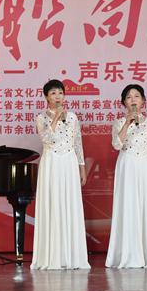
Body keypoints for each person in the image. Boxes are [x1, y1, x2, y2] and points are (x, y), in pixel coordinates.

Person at [31, 79, 90, 270]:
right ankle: (52, 256)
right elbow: (47, 138)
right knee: (54, 204)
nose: (58, 97)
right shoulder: (41, 118)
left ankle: (72, 256)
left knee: (70, 204)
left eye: (60, 93)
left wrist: (82, 168)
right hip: (52, 163)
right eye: (53, 93)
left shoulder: (72, 117)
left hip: (69, 163)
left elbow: (78, 143)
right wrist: (56, 118)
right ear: (46, 97)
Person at [105, 84, 147, 268]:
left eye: (137, 96)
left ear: (143, 101)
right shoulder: (119, 123)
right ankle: (128, 255)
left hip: (146, 167)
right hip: (127, 166)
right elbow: (116, 145)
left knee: (146, 208)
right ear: (124, 102)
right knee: (128, 207)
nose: (133, 100)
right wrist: (127, 123)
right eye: (129, 97)